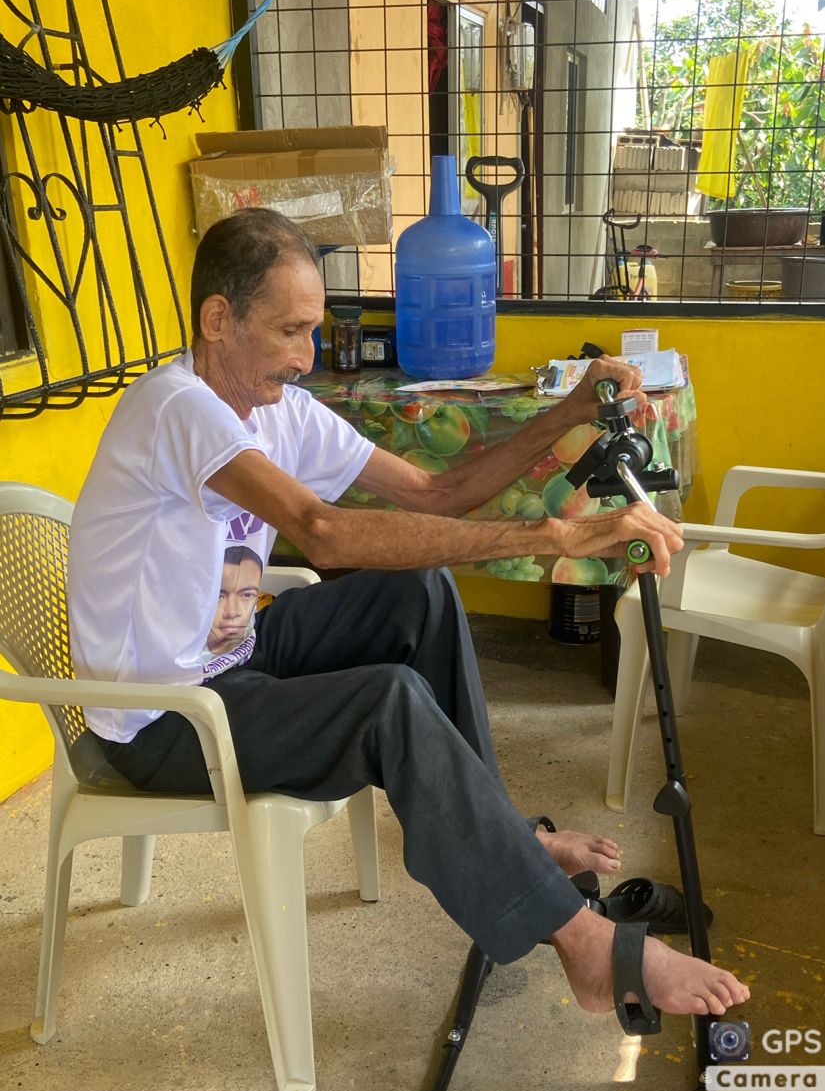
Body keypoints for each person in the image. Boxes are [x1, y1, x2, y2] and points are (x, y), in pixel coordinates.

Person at [67, 209, 748, 1030]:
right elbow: (322, 530)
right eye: (289, 331)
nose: (306, 356)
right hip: (162, 719)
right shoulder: (175, 407)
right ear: (219, 319)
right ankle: (584, 943)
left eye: (312, 329)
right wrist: (551, 536)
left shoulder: (275, 407)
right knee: (387, 701)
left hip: (231, 653)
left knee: (417, 592)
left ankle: (508, 839)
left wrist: (566, 412)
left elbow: (436, 491)